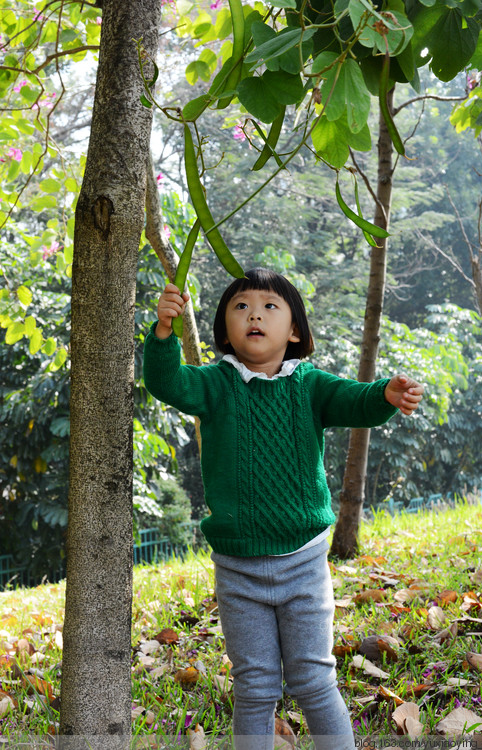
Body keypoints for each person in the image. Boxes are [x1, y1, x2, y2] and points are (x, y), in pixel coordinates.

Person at [143, 268, 424, 750]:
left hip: (304, 565)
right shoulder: (215, 385)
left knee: (314, 681)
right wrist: (164, 332)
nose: (254, 312)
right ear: (225, 330)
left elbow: (354, 401)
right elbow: (168, 383)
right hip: (238, 571)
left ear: (294, 330)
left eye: (270, 305)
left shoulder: (309, 385)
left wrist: (385, 395)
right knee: (255, 686)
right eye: (240, 306)